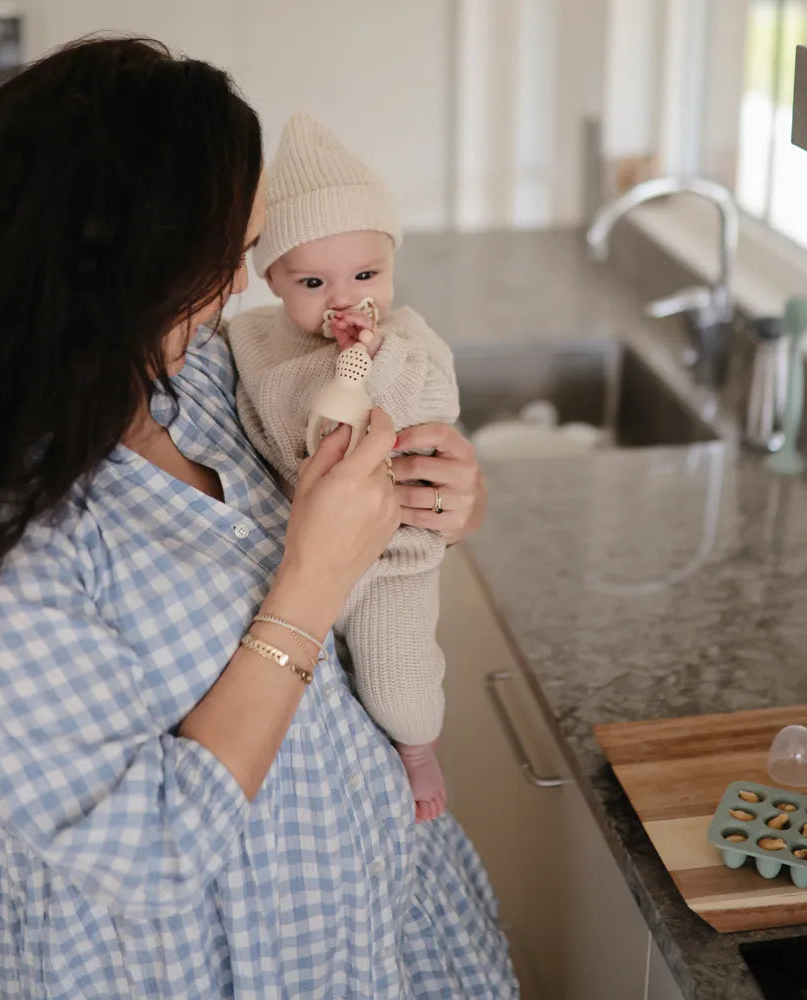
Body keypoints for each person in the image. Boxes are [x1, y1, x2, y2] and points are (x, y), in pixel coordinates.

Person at [0, 36, 517, 1000]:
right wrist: (312, 580)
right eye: (227, 258)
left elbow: (344, 465)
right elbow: (148, 854)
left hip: (379, 917)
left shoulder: (195, 374)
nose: (239, 288)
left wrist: (442, 493)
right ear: (119, 266)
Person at [228, 112, 457, 823]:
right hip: (296, 556)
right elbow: (288, 422)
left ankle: (419, 749)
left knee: (396, 682)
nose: (344, 298)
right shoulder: (256, 344)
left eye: (366, 273)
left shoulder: (408, 338)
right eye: (313, 282)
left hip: (389, 554)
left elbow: (433, 405)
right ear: (270, 279)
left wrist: (375, 359)